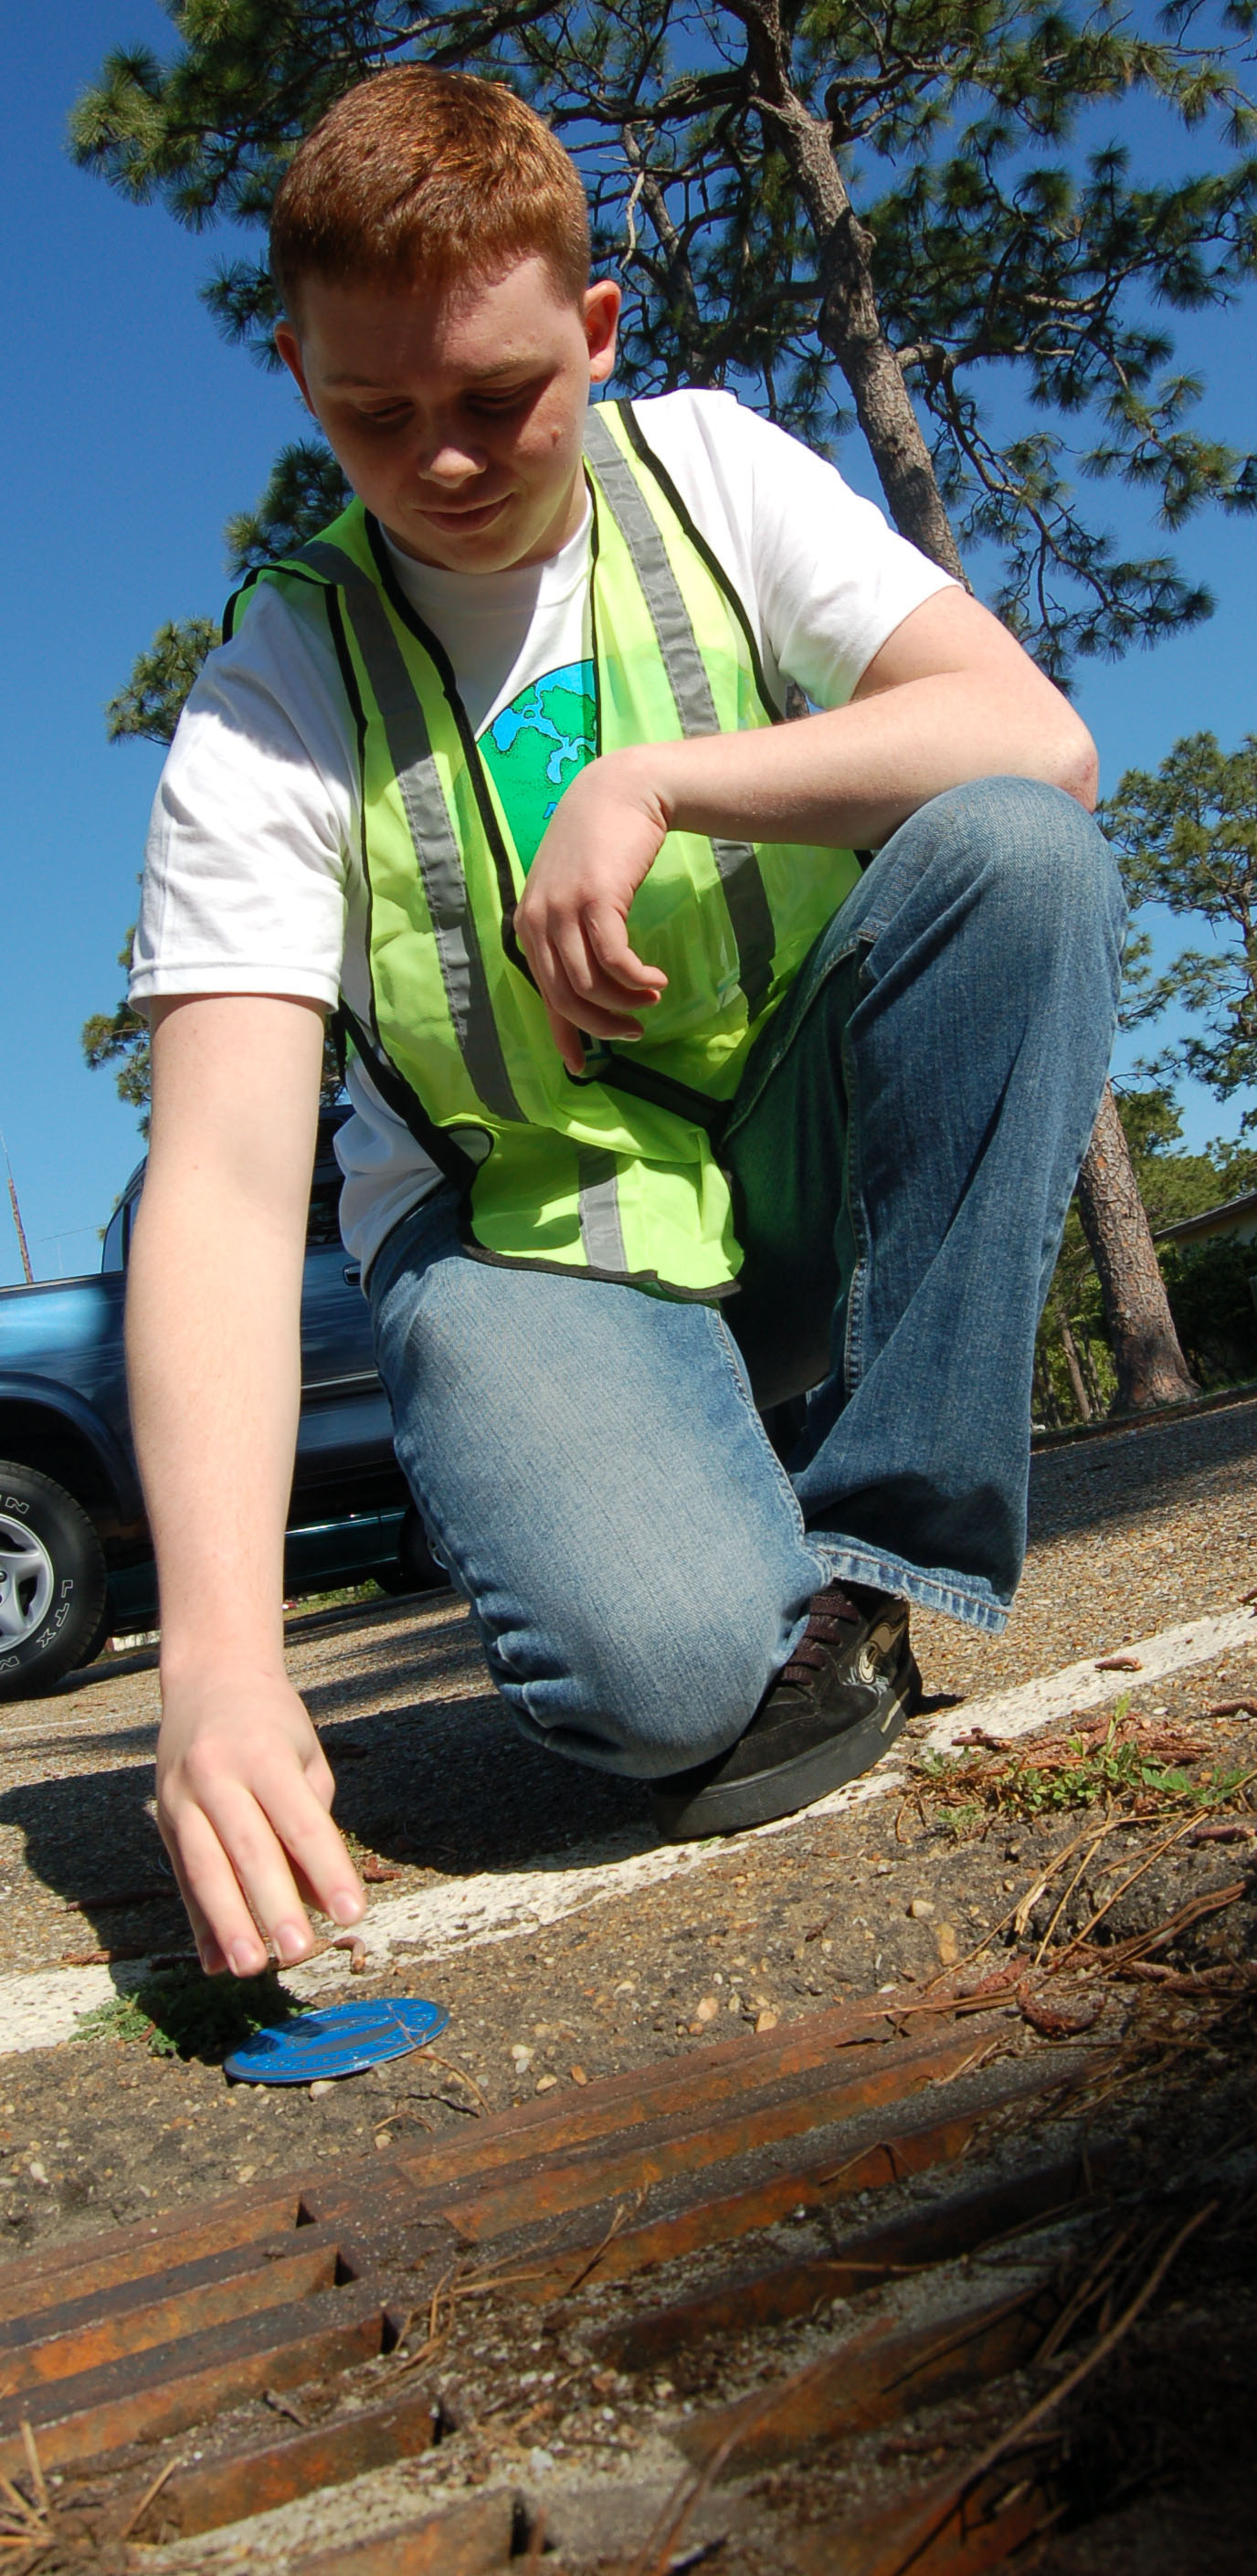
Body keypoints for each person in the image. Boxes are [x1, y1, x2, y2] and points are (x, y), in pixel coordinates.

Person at [126, 67, 1122, 1981]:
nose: (440, 462)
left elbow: (1036, 743)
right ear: (296, 366)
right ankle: (678, 1505)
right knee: (667, 1692)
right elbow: (230, 1192)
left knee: (1016, 862)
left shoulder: (718, 476)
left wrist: (661, 775)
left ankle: (873, 1552)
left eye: (499, 396)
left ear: (594, 331)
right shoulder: (266, 695)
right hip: (528, 1232)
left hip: (788, 1152)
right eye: (371, 413)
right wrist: (220, 1669)